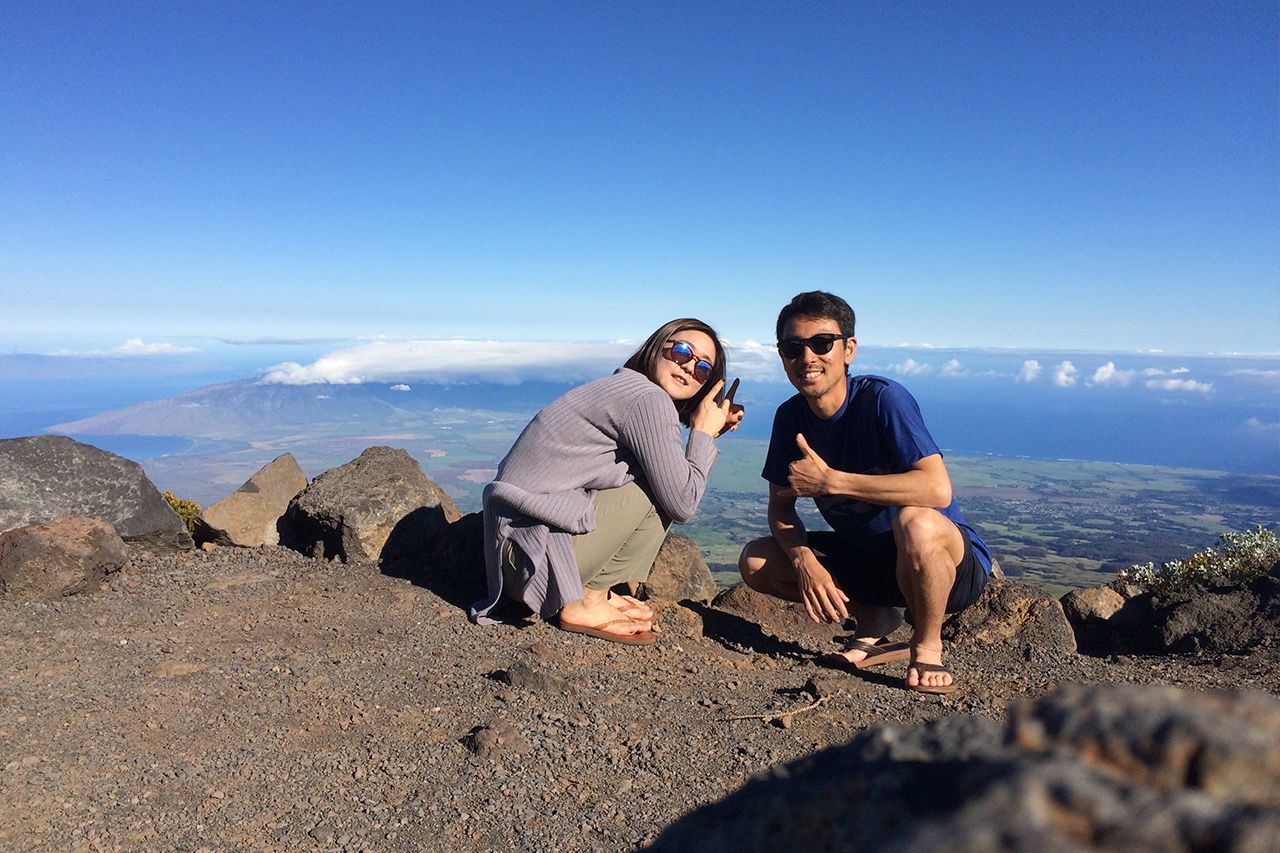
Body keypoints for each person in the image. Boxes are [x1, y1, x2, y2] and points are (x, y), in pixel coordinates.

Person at [738, 291, 990, 693]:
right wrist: (804, 561)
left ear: (848, 349)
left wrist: (831, 481)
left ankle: (926, 647)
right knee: (757, 560)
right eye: (792, 347)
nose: (807, 358)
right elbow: (781, 510)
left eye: (821, 343)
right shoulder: (790, 417)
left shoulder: (882, 400)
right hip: (871, 564)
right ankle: (875, 620)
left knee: (916, 522)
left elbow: (936, 488)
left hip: (945, 567)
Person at [470, 319, 743, 644]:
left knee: (665, 475)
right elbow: (682, 502)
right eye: (682, 351)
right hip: (532, 562)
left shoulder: (628, 388)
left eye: (702, 369)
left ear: (706, 385)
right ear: (658, 348)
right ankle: (588, 600)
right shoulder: (649, 400)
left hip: (514, 558)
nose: (688, 367)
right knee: (666, 489)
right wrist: (701, 434)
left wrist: (705, 435)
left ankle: (593, 591)